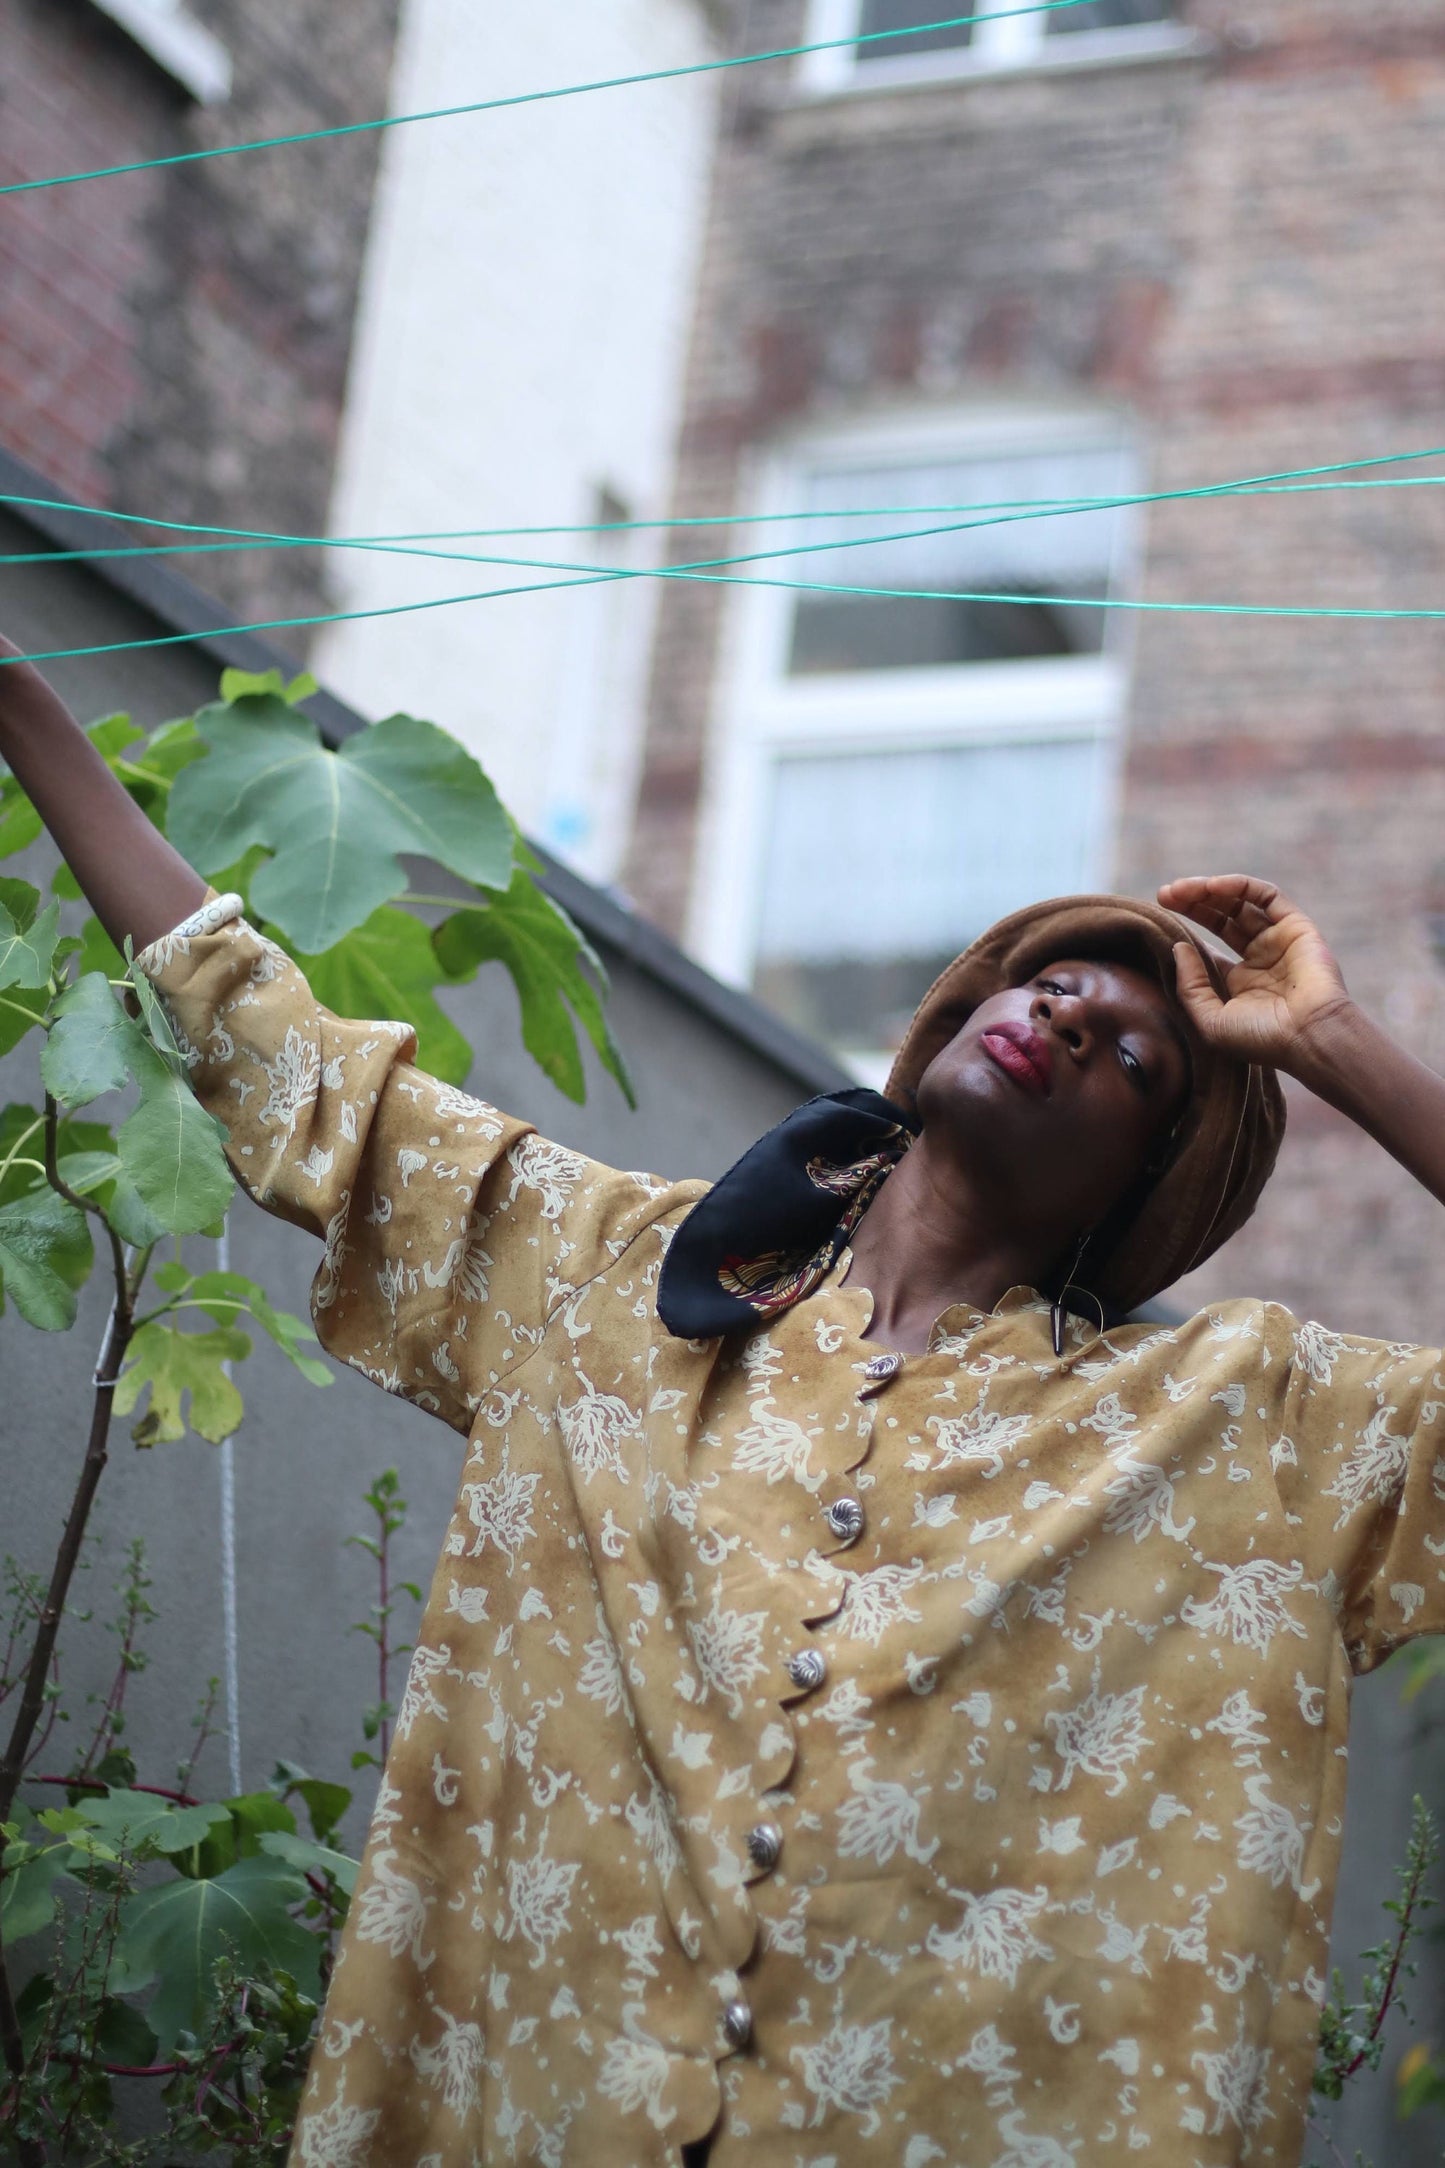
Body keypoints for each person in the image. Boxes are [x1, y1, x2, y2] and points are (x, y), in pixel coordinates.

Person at [5, 641, 1445, 2168]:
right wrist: (24, 705)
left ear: (1148, 1187)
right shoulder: (605, 1272)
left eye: (1138, 1057)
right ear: (954, 1020)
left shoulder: (1252, 1434)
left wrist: (1324, 1045)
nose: (1075, 1016)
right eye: (1048, 980)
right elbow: (278, 1057)